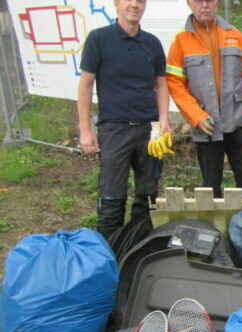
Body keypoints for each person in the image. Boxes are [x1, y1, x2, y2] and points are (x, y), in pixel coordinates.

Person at [78, 0, 170, 239]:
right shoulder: (99, 39)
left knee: (148, 192)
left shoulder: (152, 43)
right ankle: (109, 251)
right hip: (114, 130)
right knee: (112, 195)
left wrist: (163, 120)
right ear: (116, 4)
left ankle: (138, 244)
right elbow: (86, 84)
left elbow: (161, 84)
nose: (134, 5)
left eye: (140, 1)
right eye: (128, 0)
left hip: (148, 131)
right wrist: (85, 130)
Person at [166, 0, 242, 198]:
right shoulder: (181, 41)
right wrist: (196, 116)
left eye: (209, 0)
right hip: (206, 125)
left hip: (238, 121)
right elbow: (175, 84)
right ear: (189, 4)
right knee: (210, 187)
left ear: (216, 3)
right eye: (198, 1)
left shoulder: (234, 35)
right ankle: (213, 227)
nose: (204, 5)